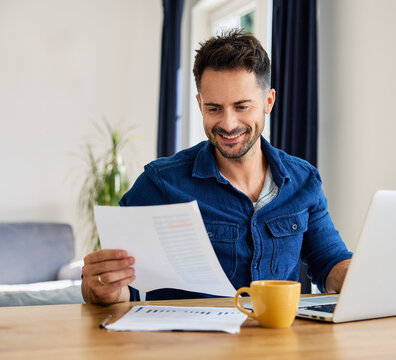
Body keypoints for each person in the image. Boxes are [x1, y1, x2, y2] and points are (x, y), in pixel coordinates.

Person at [82, 28, 352, 305]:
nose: (228, 123)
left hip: (281, 344)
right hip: (189, 344)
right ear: (199, 105)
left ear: (268, 102)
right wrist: (105, 288)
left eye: (242, 106)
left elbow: (330, 263)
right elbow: (114, 284)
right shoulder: (160, 183)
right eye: (214, 109)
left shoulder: (303, 180)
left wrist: (356, 274)